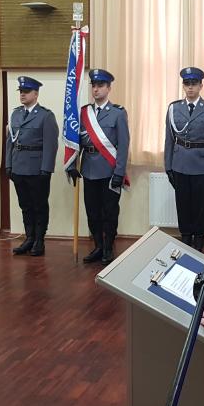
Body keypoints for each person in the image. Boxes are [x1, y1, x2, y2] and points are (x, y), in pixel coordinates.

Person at [67, 68, 129, 264]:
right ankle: (98, 246)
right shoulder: (83, 112)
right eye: (93, 85)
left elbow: (124, 145)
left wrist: (119, 172)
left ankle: (108, 247)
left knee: (109, 212)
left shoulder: (118, 113)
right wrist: (71, 164)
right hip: (89, 169)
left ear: (108, 88)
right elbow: (74, 141)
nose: (96, 89)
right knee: (92, 212)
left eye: (100, 85)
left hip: (109, 170)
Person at [163, 67, 204, 251]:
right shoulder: (174, 108)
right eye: (187, 84)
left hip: (201, 166)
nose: (190, 88)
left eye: (193, 84)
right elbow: (169, 139)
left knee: (200, 207)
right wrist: (168, 167)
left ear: (200, 86)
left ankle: (198, 242)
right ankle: (186, 240)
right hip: (179, 165)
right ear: (183, 86)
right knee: (182, 205)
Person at [5, 76, 59, 256]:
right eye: (21, 91)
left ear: (36, 94)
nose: (22, 95)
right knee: (25, 205)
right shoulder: (16, 114)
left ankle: (39, 241)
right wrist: (8, 164)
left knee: (39, 205)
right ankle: (29, 238)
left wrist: (46, 169)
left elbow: (51, 145)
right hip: (18, 167)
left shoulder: (46, 116)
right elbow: (10, 142)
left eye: (26, 92)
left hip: (37, 169)